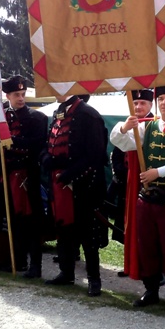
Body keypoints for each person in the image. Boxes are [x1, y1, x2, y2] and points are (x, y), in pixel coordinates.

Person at [112, 77, 165, 310]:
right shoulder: (147, 126)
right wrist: (124, 127)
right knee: (147, 246)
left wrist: (157, 172)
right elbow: (121, 142)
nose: (164, 103)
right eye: (160, 98)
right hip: (147, 200)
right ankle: (151, 291)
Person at [43, 93, 108, 297]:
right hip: (60, 183)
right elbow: (51, 144)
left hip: (83, 183)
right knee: (64, 229)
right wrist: (46, 158)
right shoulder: (59, 112)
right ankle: (66, 272)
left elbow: (96, 154)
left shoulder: (89, 115)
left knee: (87, 234)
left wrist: (70, 174)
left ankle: (94, 279)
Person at [0, 76, 48, 277]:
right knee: (12, 220)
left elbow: (38, 145)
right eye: (17, 94)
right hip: (6, 174)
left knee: (31, 221)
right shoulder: (0, 118)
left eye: (23, 94)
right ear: (8, 96)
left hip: (27, 175)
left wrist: (12, 140)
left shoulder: (37, 118)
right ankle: (18, 260)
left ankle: (35, 266)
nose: (21, 98)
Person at [108, 89, 154, 279]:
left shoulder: (154, 124)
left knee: (148, 226)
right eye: (135, 103)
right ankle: (134, 264)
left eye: (143, 103)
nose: (138, 106)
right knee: (132, 223)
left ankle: (153, 269)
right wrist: (124, 127)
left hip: (151, 180)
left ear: (151, 105)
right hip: (131, 180)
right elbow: (119, 144)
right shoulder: (131, 123)